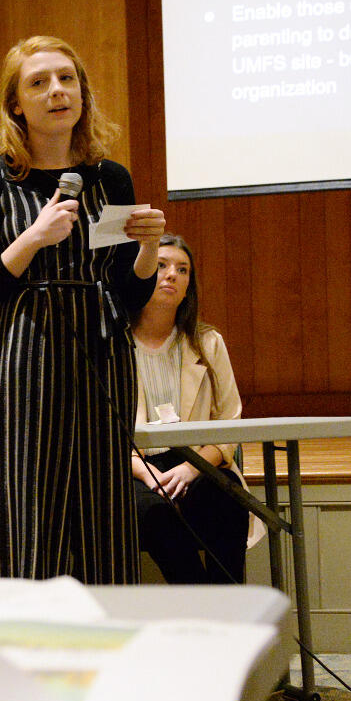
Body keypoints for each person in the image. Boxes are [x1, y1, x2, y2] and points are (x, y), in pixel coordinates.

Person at [0, 35, 166, 581]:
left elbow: (129, 293)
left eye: (67, 79)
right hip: (29, 354)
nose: (57, 92)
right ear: (16, 106)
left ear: (83, 93)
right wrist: (32, 239)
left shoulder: (109, 177)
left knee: (106, 518)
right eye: (39, 82)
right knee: (30, 515)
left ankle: (109, 646)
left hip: (103, 352)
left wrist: (147, 249)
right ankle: (21, 650)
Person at [130, 235, 259, 584]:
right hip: (134, 469)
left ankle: (225, 609)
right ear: (138, 273)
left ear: (189, 286)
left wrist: (191, 468)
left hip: (198, 461)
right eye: (161, 266)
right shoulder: (112, 344)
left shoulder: (207, 343)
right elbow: (96, 430)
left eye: (182, 269)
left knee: (225, 497)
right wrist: (144, 471)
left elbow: (231, 422)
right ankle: (206, 610)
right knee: (155, 513)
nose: (172, 274)